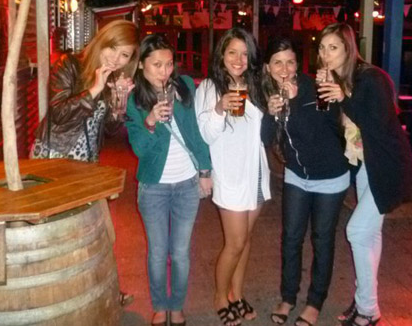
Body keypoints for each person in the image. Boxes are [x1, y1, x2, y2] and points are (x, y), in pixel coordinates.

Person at [29, 18, 139, 307]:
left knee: (95, 229)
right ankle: (60, 298)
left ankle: (99, 291)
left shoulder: (113, 76)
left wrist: (119, 105)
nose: (116, 58)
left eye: (124, 55)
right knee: (58, 232)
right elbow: (57, 114)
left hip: (87, 162)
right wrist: (93, 90)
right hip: (55, 158)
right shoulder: (69, 65)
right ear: (102, 40)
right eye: (113, 48)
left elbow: (110, 131)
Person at [316, 23, 412, 326]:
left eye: (333, 47)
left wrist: (342, 97)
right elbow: (338, 127)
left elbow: (378, 123)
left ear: (348, 49)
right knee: (370, 235)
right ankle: (364, 303)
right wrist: (328, 99)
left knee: (357, 231)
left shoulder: (372, 78)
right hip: (364, 164)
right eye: (322, 48)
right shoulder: (339, 80)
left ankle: (369, 309)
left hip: (387, 164)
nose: (326, 54)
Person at [261, 37, 350, 326]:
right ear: (268, 68)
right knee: (291, 237)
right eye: (277, 63)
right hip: (297, 175)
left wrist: (296, 101)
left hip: (330, 175)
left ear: (298, 64)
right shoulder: (271, 93)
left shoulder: (317, 87)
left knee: (322, 239)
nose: (284, 68)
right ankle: (288, 297)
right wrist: (270, 114)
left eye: (290, 62)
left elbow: (322, 128)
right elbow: (265, 139)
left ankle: (315, 302)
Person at [126, 34, 212, 326]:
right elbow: (140, 149)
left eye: (169, 63)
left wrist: (205, 171)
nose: (165, 71)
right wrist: (150, 121)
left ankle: (176, 305)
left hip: (187, 184)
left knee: (181, 252)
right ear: (141, 65)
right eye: (157, 65)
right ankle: (160, 305)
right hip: (154, 188)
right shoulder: (135, 99)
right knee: (157, 251)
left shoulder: (185, 86)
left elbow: (195, 133)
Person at [195, 27, 270, 326]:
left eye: (244, 54)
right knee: (235, 243)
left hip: (256, 173)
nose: (238, 60)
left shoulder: (255, 83)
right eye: (232, 53)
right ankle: (219, 297)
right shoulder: (209, 87)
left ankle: (236, 294)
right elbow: (206, 134)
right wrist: (219, 108)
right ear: (221, 55)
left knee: (246, 239)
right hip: (231, 174)